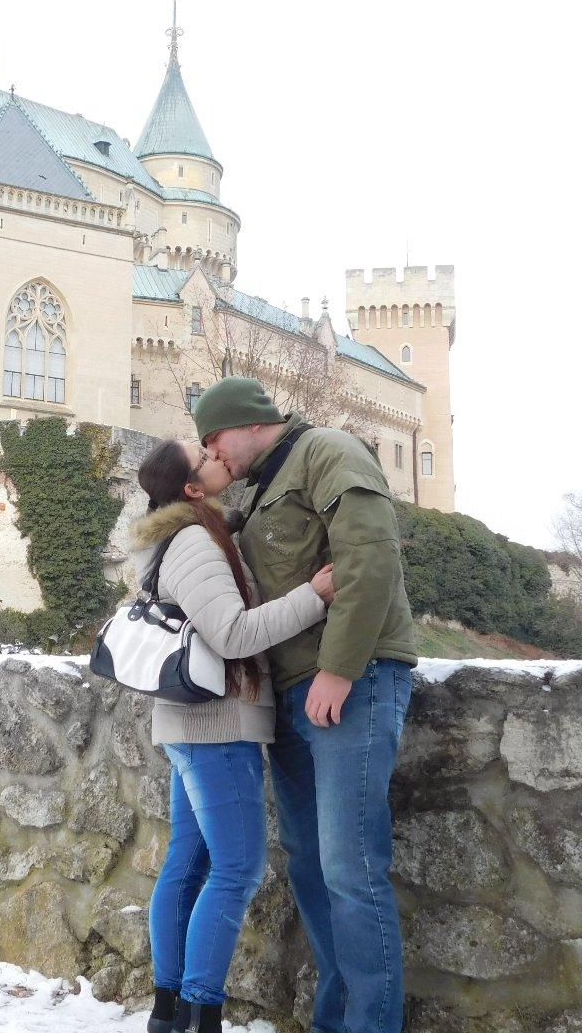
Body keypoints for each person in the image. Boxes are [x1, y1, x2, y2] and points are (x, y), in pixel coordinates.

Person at [192, 376, 417, 1033]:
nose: (211, 452)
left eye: (214, 437)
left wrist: (340, 670)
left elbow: (369, 560)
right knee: (312, 868)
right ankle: (335, 1020)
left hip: (351, 681)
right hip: (292, 694)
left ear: (248, 421)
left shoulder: (327, 450)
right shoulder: (260, 486)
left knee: (350, 866)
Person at [133, 438, 337, 1033]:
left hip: (192, 726)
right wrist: (314, 597)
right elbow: (233, 635)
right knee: (236, 868)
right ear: (192, 488)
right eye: (203, 457)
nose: (215, 453)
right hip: (215, 727)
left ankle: (169, 1013)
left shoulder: (184, 535)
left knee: (190, 860)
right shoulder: (193, 541)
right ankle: (201, 1012)